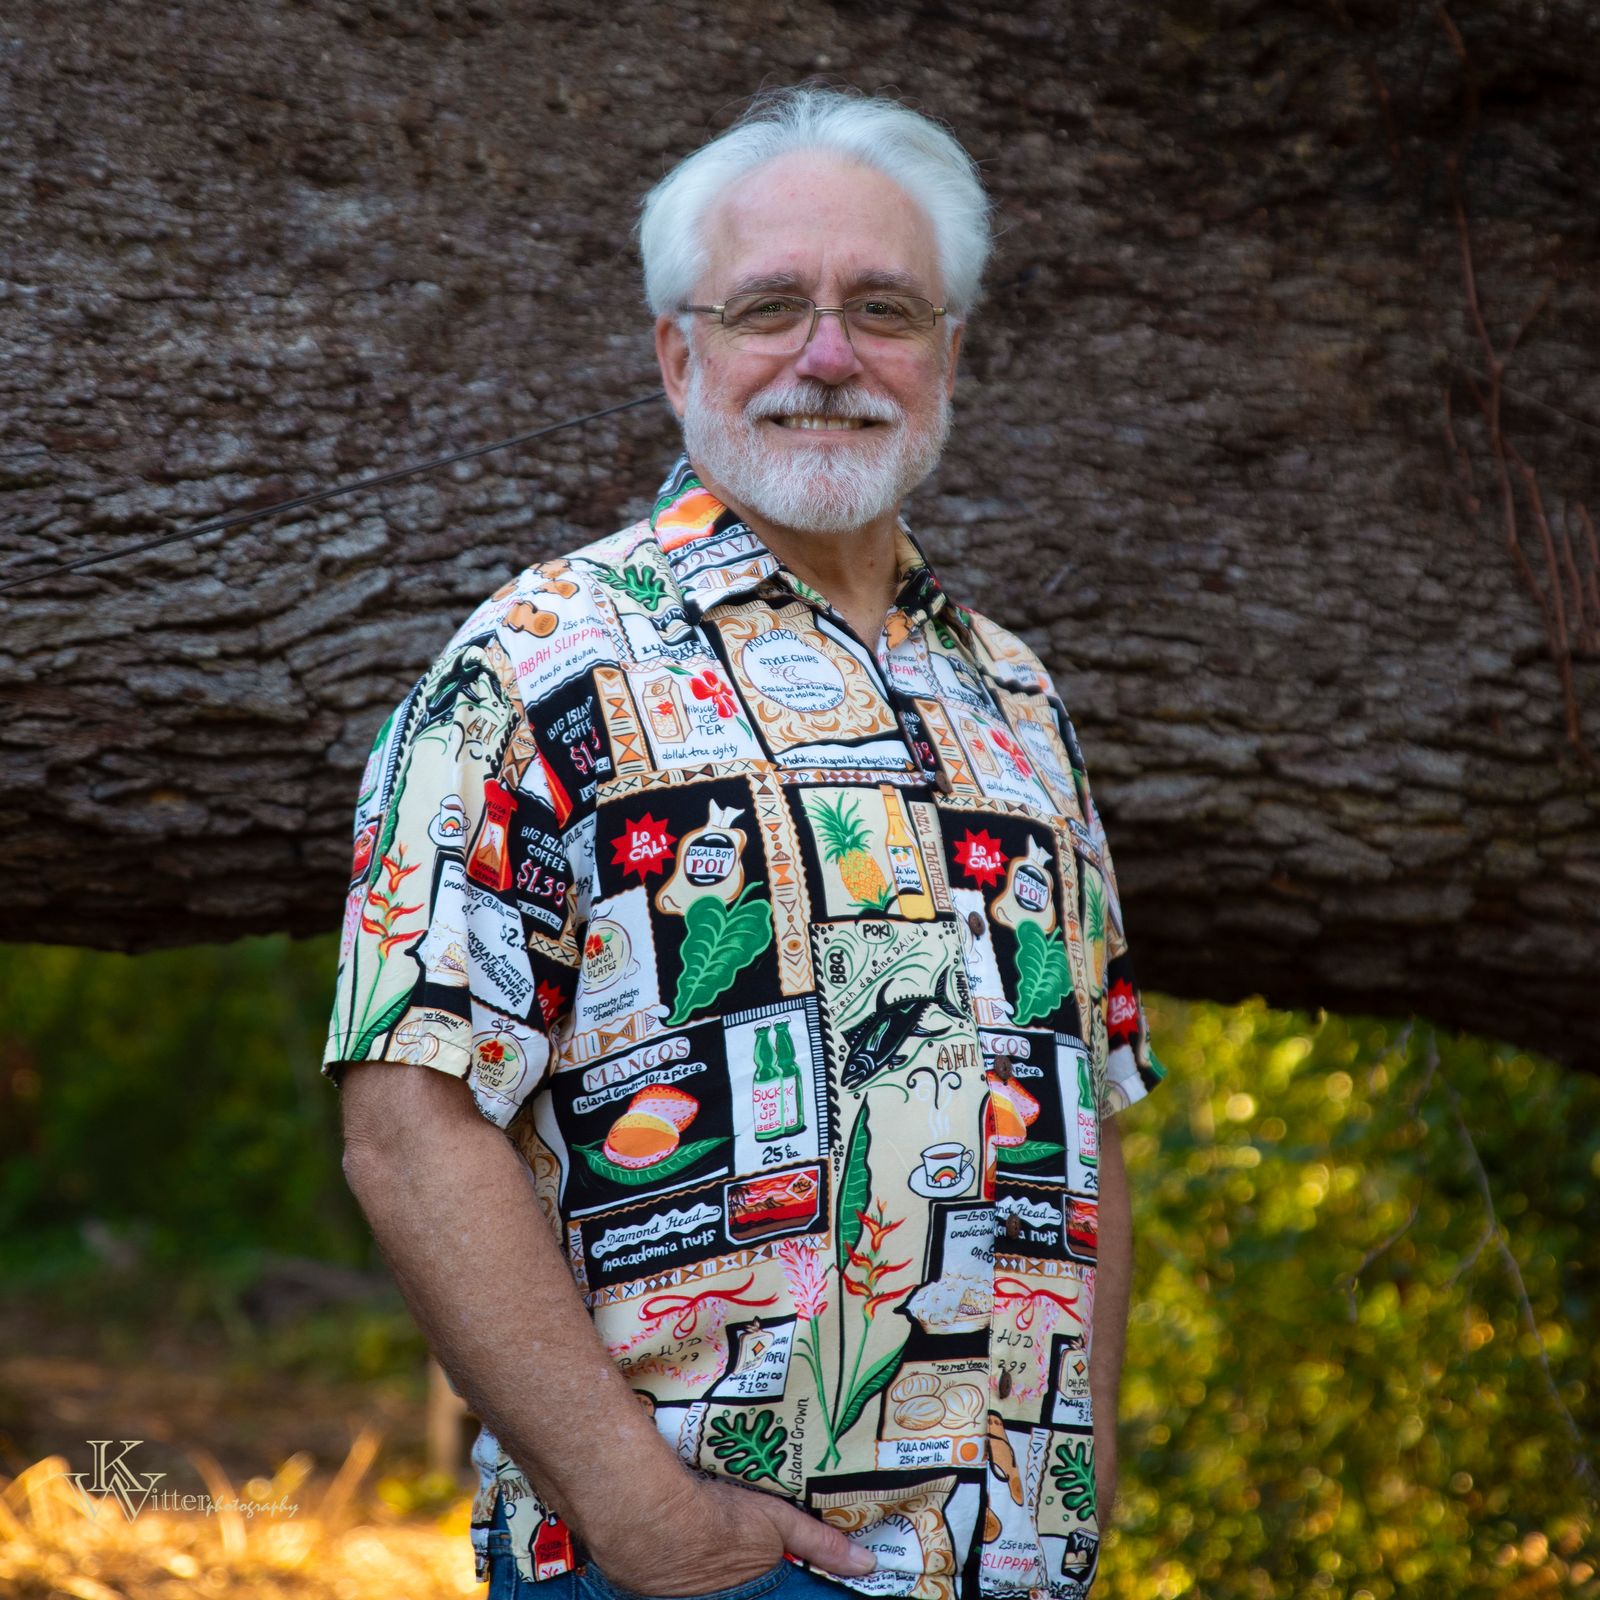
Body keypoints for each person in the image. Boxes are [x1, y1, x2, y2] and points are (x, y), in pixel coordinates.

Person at [323, 85, 1165, 1600]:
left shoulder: (1017, 700)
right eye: (770, 307)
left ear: (948, 352)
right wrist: (638, 1513)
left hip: (1015, 1566)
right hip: (694, 1567)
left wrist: (1083, 1475)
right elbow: (409, 1125)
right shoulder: (536, 668)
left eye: (883, 309)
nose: (828, 357)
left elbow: (1086, 1115)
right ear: (678, 353)